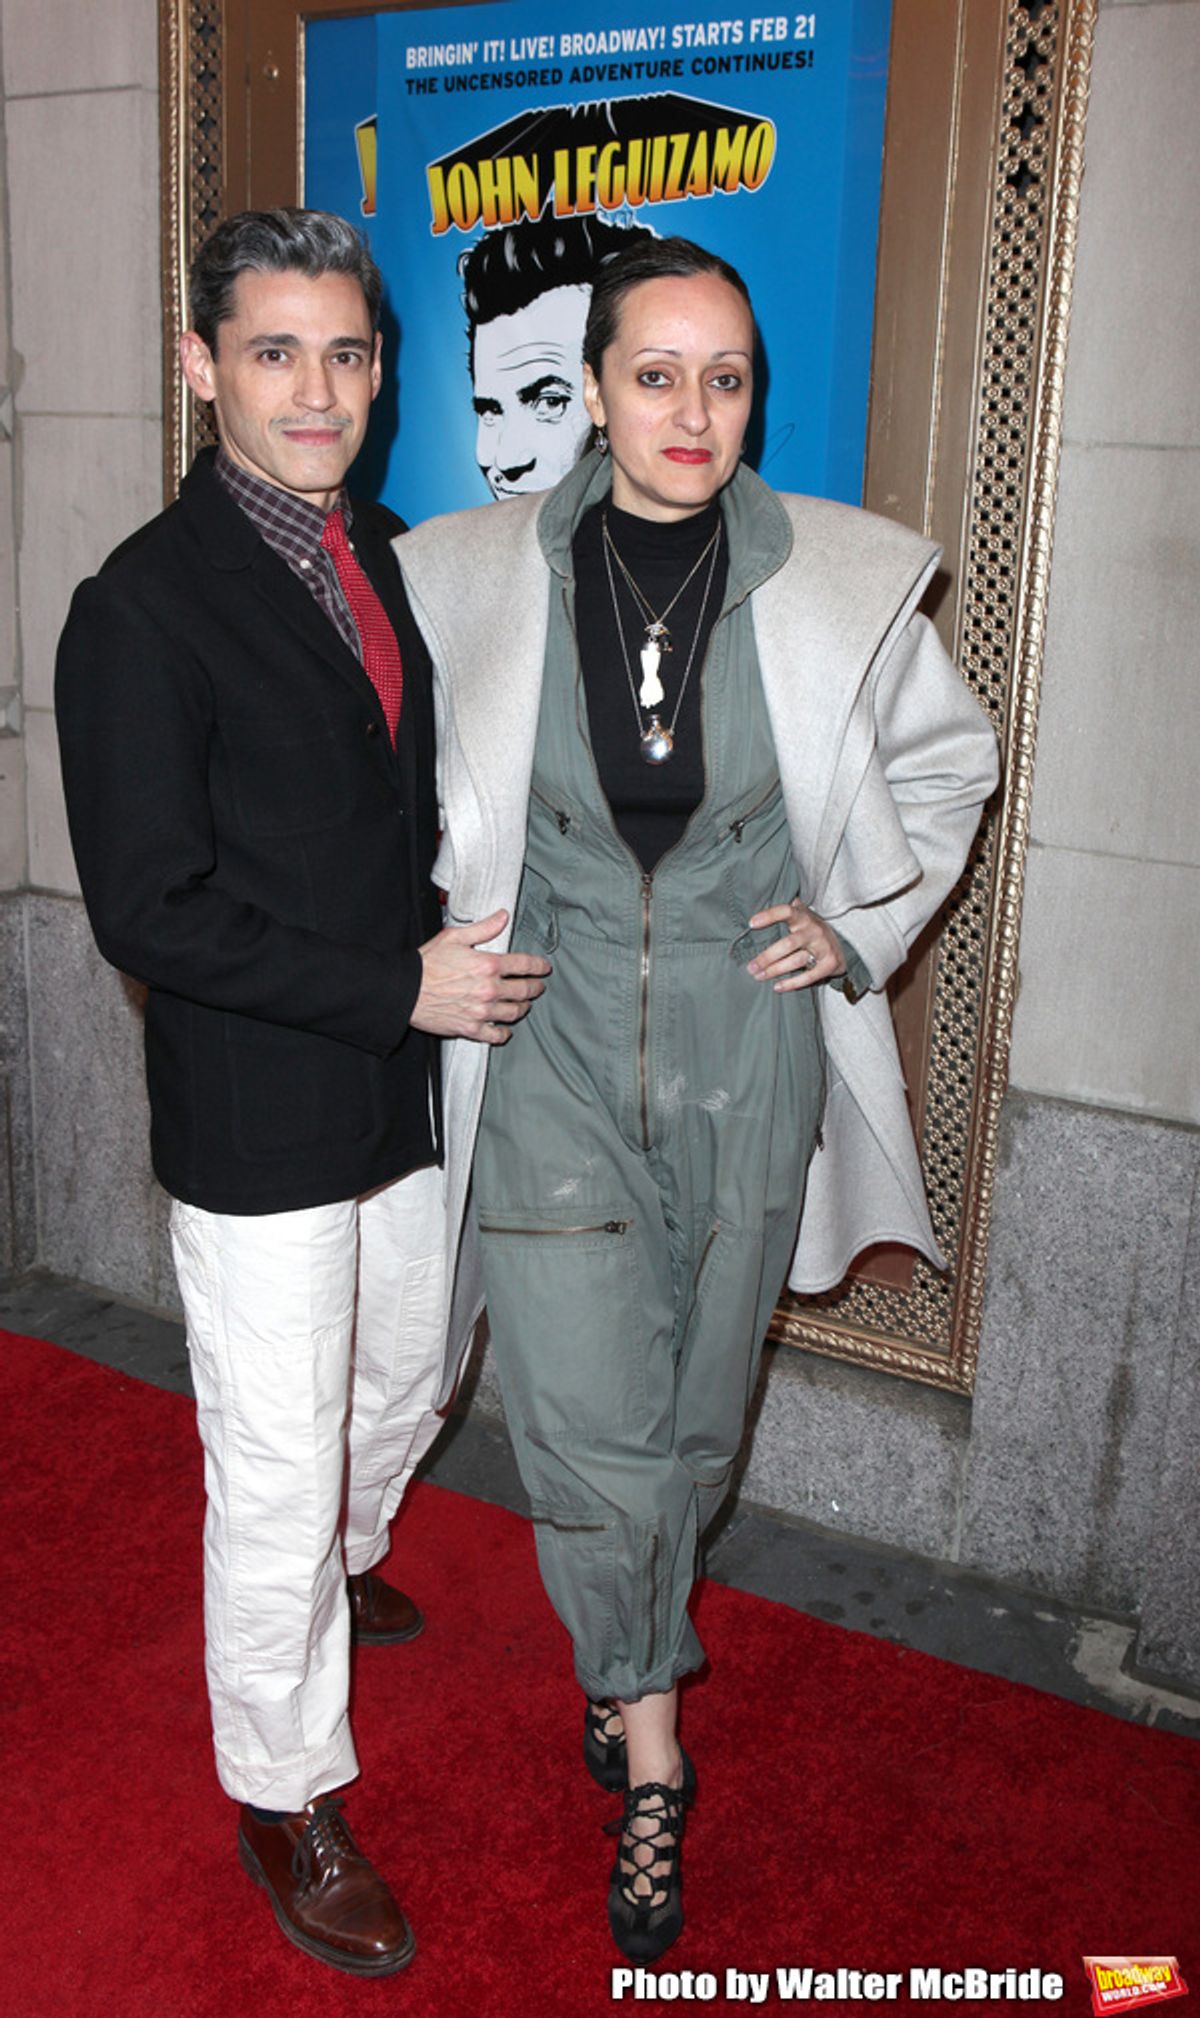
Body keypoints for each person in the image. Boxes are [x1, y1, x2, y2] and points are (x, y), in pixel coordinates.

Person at [395, 236, 1000, 1960]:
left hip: (752, 1061)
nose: (690, 410)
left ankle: (621, 1644)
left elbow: (952, 760)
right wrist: (424, 940)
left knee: (698, 1424)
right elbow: (368, 776)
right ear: (588, 389)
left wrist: (860, 919)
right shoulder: (464, 572)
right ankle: (654, 1746)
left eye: (723, 377)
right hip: (550, 1050)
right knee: (586, 1426)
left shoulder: (842, 578)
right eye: (653, 373)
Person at [54, 207, 549, 1978]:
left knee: (406, 1369)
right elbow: (150, 907)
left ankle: (332, 1575)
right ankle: (283, 1781)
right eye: (275, 352)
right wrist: (393, 977)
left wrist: (455, 924)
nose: (319, 388)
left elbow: (387, 809)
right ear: (203, 366)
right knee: (271, 1453)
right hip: (262, 1106)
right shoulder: (137, 608)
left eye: (348, 352)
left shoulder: (383, 552)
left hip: (397, 1076)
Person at [461, 213, 655, 499]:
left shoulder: (731, 539)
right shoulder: (428, 541)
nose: (508, 460)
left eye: (550, 403)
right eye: (490, 412)